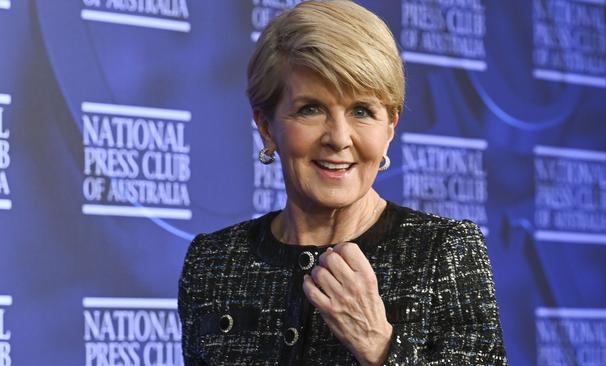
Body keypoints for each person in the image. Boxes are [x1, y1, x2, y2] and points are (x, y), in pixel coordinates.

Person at [178, 1, 507, 365]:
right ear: (267, 127)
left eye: (362, 111)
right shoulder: (213, 262)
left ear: (389, 129)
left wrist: (379, 346)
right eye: (311, 109)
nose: (338, 138)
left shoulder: (444, 253)